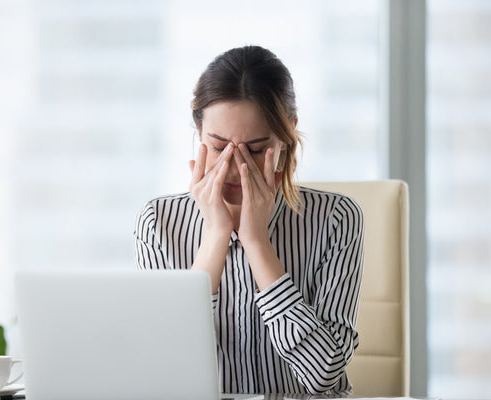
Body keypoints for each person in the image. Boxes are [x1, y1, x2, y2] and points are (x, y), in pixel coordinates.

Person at [134, 45, 364, 395]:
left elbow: (324, 377)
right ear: (199, 134)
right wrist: (215, 237)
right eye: (217, 146)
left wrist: (257, 243)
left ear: (286, 138)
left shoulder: (336, 219)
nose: (234, 167)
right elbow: (163, 370)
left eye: (255, 150)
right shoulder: (159, 222)